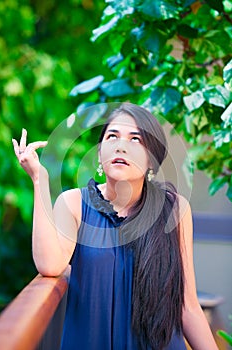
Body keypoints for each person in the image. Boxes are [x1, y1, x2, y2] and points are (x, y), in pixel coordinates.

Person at [12, 103, 218, 350]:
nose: (121, 145)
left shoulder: (174, 209)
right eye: (112, 136)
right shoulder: (75, 203)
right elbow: (49, 265)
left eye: (135, 139)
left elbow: (188, 306)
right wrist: (39, 179)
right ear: (100, 153)